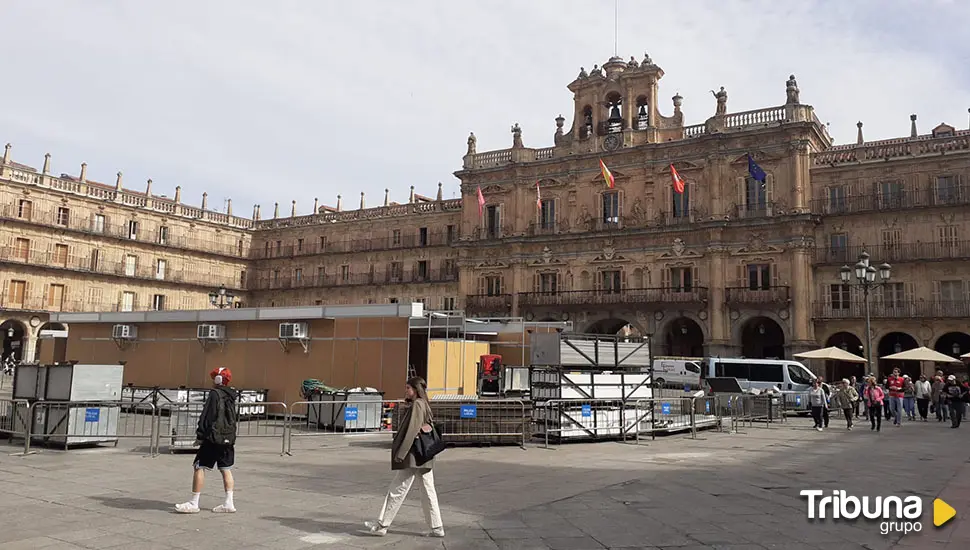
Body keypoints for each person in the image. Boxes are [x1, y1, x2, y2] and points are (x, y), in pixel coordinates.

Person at [364, 376, 444, 538]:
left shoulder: (417, 405)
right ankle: (437, 527)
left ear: (415, 390)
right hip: (424, 456)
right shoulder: (424, 404)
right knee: (428, 490)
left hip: (413, 455)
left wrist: (401, 453)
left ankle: (382, 525)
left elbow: (412, 431)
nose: (405, 390)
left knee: (397, 489)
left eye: (408, 388)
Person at [176, 367, 238, 514]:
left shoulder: (214, 394)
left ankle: (194, 502)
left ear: (218, 379)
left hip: (213, 438)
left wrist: (200, 435)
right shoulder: (232, 395)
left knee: (199, 466)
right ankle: (229, 502)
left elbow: (208, 416)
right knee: (226, 469)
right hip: (228, 437)